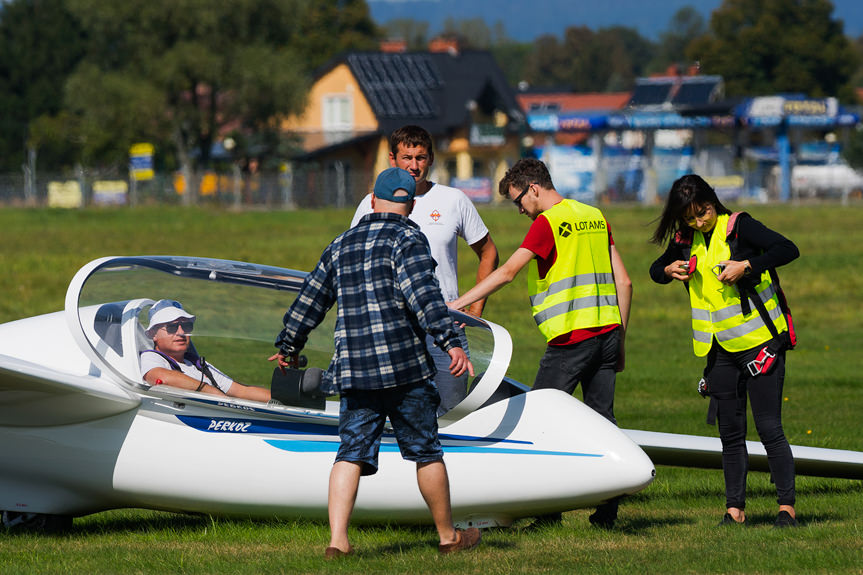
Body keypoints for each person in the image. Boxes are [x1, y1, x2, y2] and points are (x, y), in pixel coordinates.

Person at [271, 167, 482, 558]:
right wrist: (452, 342)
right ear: (412, 205)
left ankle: (338, 542)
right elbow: (424, 297)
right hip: (405, 369)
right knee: (426, 451)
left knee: (350, 452)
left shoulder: (341, 244)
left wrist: (288, 345)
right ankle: (448, 537)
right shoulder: (409, 238)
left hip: (354, 371)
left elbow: (309, 301)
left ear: (371, 201)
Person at [448, 158, 632, 529]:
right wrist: (620, 340)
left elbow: (508, 271)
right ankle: (608, 513)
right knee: (604, 421)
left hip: (571, 339)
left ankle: (548, 516)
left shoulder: (549, 222)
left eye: (519, 201)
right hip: (609, 333)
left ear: (534, 188)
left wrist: (459, 303)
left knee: (540, 422)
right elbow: (625, 283)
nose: (520, 210)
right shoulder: (595, 215)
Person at [649, 174, 799, 528]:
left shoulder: (739, 228)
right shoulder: (686, 239)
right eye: (689, 218)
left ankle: (786, 510)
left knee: (768, 428)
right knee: (730, 435)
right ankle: (734, 511)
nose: (698, 222)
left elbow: (787, 249)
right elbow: (655, 270)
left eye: (703, 213)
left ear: (712, 201)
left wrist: (746, 266)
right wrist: (668, 269)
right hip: (717, 349)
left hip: (759, 344)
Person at [351, 125, 499, 415]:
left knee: (451, 414)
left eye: (420, 158)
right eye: (407, 157)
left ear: (431, 159)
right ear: (392, 159)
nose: (413, 166)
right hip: (391, 327)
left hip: (445, 324)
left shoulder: (453, 200)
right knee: (394, 413)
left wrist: (474, 309)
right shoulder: (372, 202)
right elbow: (353, 260)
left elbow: (488, 252)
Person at [140, 299, 271, 402]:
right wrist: (212, 392)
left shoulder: (198, 364)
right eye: (172, 327)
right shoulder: (151, 357)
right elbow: (161, 377)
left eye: (186, 326)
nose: (181, 332)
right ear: (153, 334)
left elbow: (241, 391)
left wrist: (284, 400)